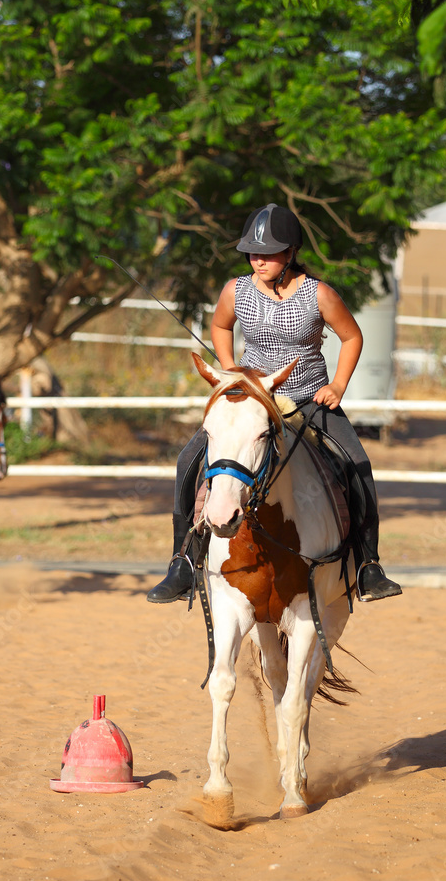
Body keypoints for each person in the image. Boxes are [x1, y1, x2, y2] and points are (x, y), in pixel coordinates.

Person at [147, 202, 402, 604]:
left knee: (357, 464)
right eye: (252, 253)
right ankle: (182, 563)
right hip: (253, 400)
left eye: (267, 253)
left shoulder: (319, 294)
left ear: (290, 253)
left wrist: (337, 384)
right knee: (187, 460)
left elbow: (352, 337)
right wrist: (231, 371)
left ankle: (369, 566)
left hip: (308, 398)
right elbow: (219, 325)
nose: (258, 260)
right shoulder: (236, 289)